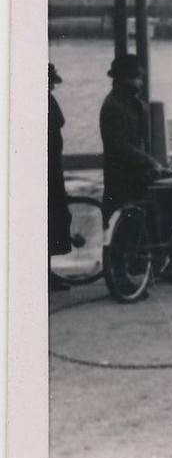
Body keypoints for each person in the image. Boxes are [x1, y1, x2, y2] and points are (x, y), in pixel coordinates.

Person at [100, 55, 164, 222]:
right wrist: (150, 161)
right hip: (121, 184)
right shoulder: (114, 106)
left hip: (136, 180)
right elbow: (119, 145)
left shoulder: (130, 103)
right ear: (125, 79)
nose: (141, 83)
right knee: (123, 234)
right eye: (137, 78)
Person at [49, 64, 72, 291]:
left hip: (52, 168)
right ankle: (45, 273)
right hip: (49, 170)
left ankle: (46, 271)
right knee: (51, 219)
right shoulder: (46, 102)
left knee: (53, 219)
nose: (53, 86)